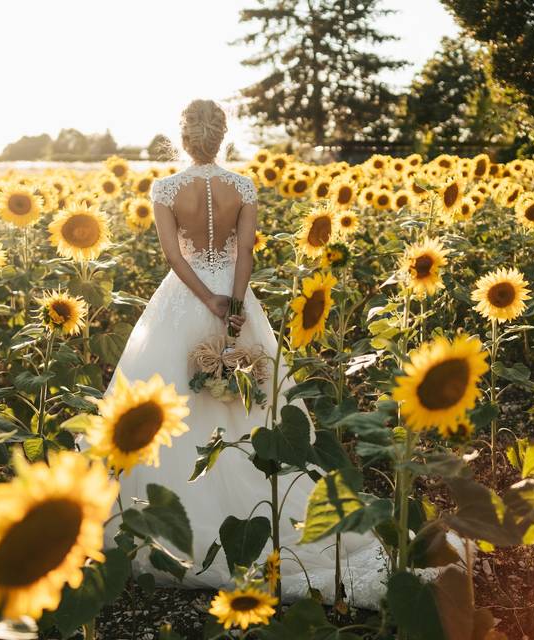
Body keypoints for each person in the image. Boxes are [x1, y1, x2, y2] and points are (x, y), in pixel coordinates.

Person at [105, 99, 387, 607]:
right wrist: (233, 307)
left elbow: (172, 256)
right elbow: (246, 250)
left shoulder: (166, 189)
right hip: (234, 298)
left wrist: (205, 299)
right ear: (222, 136)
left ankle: (167, 522)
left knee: (169, 404)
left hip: (183, 299)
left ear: (185, 138)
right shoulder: (242, 187)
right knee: (251, 403)